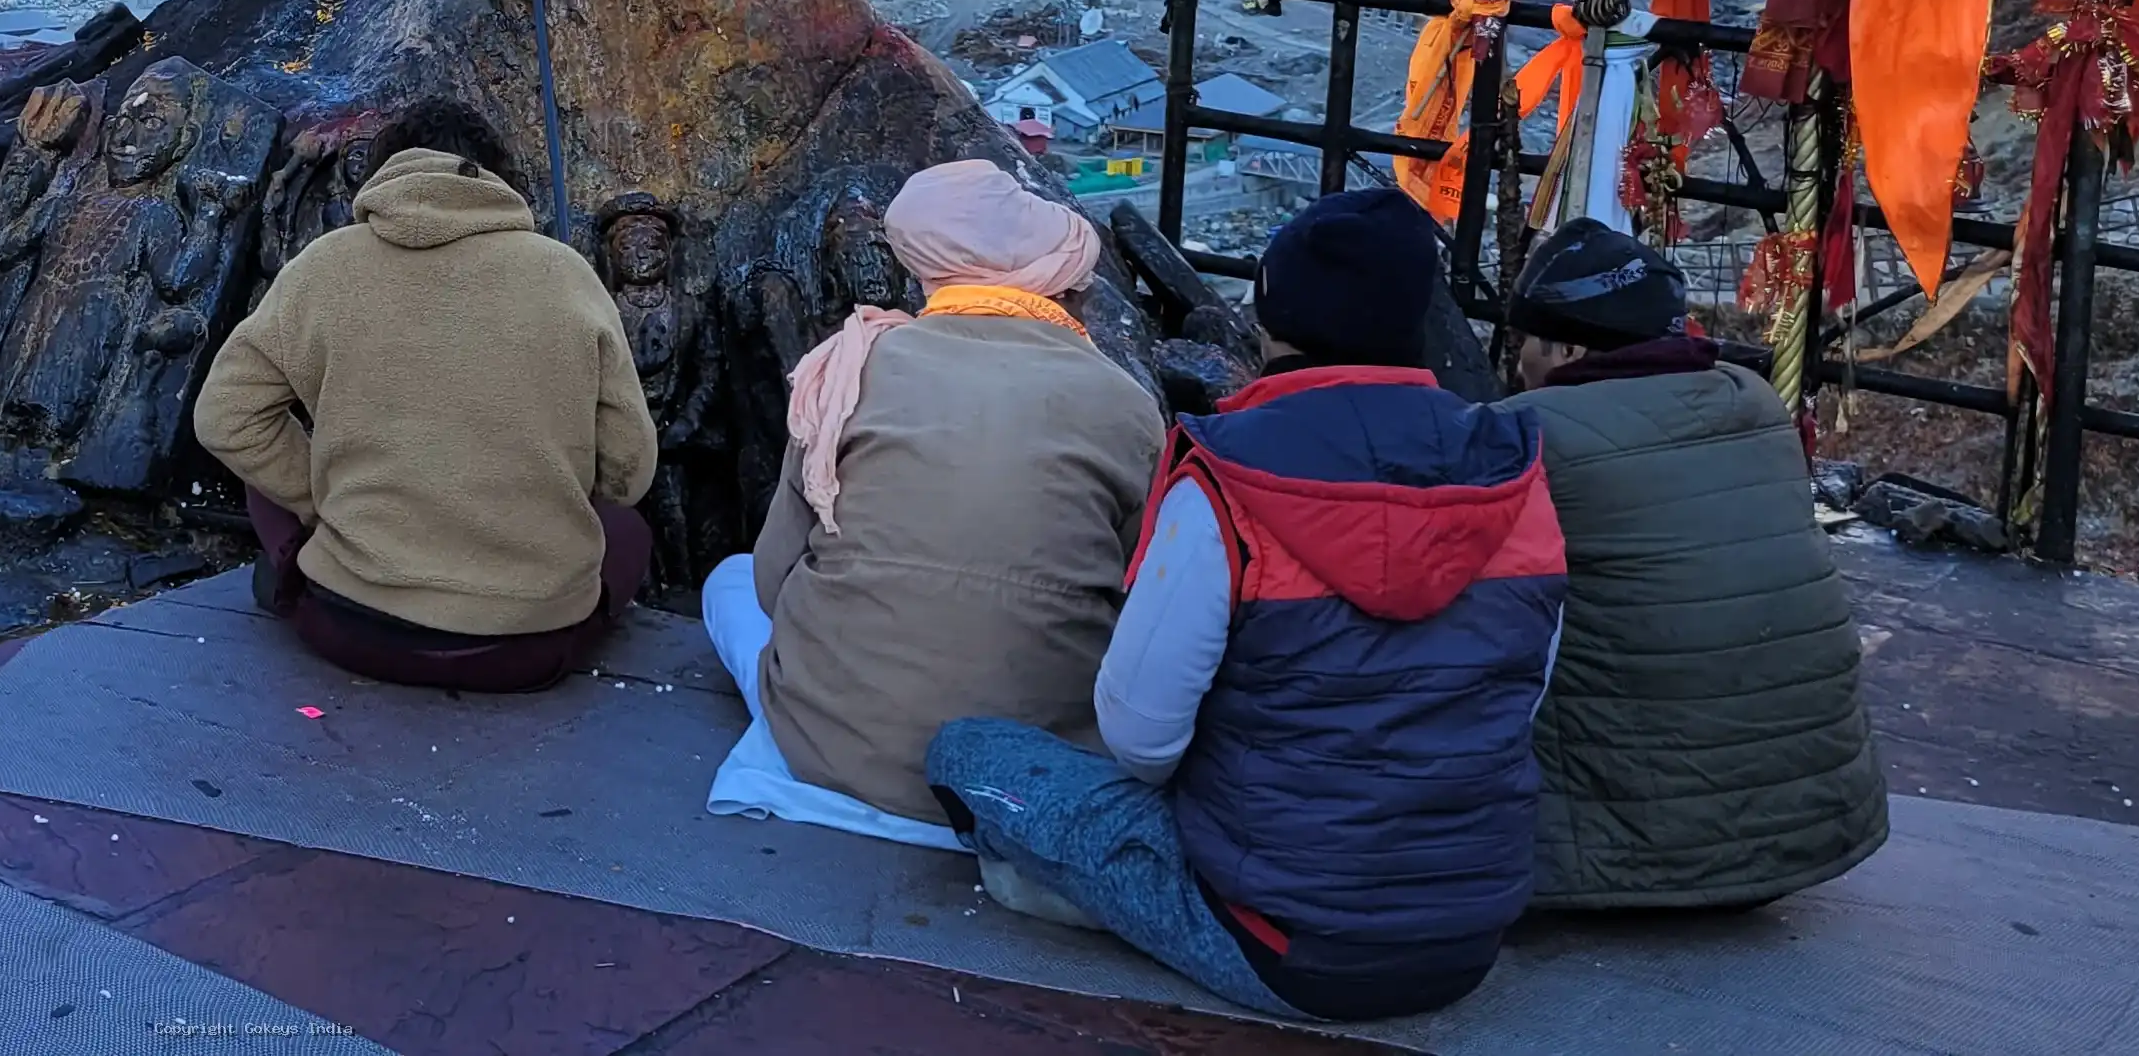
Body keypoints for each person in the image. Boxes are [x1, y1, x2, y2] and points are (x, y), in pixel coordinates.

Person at [926, 187, 1566, 1023]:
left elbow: (1137, 735)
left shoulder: (1230, 476)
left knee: (967, 753)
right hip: (1467, 938)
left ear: (1269, 319)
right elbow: (1522, 692)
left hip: (1282, 945)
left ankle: (1113, 901)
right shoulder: (1514, 473)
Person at [701, 160, 1166, 848]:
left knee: (730, 579)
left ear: (920, 271)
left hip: (837, 753)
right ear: (1060, 279)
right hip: (1028, 770)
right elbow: (1136, 604)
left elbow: (773, 584)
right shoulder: (1126, 404)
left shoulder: (850, 367)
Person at [193, 99, 655, 690]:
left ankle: (293, 573)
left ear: (386, 172)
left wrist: (326, 499)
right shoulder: (565, 274)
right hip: (522, 652)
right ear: (497, 178)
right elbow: (629, 471)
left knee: (267, 490)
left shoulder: (323, 266)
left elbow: (225, 416)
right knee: (628, 533)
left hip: (352, 629)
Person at [1497, 221, 1888, 909]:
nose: (1515, 363)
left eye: (1522, 343)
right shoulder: (1755, 402)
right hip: (1809, 830)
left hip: (1630, 860)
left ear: (1566, 347)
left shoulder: (1535, 432)